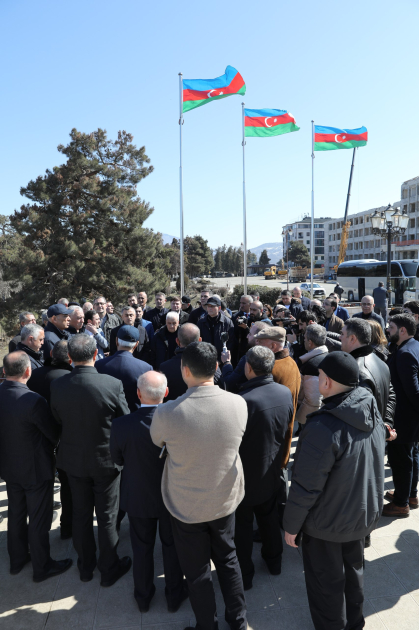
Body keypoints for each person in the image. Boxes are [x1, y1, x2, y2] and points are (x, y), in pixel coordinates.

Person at [283, 352, 386, 630]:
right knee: (353, 576)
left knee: (326, 589)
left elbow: (306, 486)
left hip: (326, 525)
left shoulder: (322, 426)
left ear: (326, 382)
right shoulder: (370, 409)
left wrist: (291, 526)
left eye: (318, 377)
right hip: (358, 517)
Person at [150, 342, 247, 630]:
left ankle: (207, 625)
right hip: (225, 498)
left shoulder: (167, 412)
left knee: (197, 571)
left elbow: (158, 441)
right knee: (229, 560)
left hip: (186, 505)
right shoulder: (238, 403)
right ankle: (238, 621)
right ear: (217, 367)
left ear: (184, 370)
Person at [50, 334, 131, 586]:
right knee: (107, 515)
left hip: (73, 461)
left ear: (70, 358)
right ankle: (108, 568)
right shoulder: (112, 384)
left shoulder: (58, 385)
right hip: (106, 462)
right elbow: (125, 419)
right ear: (96, 355)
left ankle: (85, 567)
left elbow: (57, 420)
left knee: (81, 514)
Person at [110, 372, 188, 613]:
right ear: (166, 393)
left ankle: (143, 597)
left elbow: (116, 459)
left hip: (138, 496)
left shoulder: (121, 424)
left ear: (137, 393)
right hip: (171, 496)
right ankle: (174, 596)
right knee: (172, 547)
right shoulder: (180, 421)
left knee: (141, 549)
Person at [0, 352, 72, 582]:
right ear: (28, 371)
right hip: (35, 469)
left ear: (4, 372)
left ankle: (17, 559)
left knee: (16, 513)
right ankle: (42, 566)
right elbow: (52, 434)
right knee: (39, 518)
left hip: (9, 467)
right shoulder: (33, 400)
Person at [235, 346, 293, 590]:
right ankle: (275, 562)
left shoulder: (243, 400)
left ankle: (245, 576)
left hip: (245, 478)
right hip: (272, 472)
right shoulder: (284, 392)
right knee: (269, 521)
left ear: (248, 368)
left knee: (243, 528)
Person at [27, 340, 74, 539]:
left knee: (41, 485)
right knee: (67, 485)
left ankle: (38, 530)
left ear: (52, 352)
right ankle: (66, 527)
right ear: (70, 358)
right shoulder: (70, 378)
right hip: (64, 438)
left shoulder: (33, 376)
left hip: (36, 438)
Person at [254, 326, 301, 520]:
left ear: (273, 346)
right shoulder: (291, 362)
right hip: (284, 432)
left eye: (260, 342)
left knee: (273, 484)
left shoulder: (274, 368)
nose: (256, 345)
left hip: (273, 436)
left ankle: (275, 520)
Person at [384, 314, 419, 517]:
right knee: (411, 456)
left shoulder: (405, 353)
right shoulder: (413, 345)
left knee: (401, 461)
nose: (388, 329)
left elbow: (413, 391)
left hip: (404, 418)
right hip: (410, 418)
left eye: (391, 326)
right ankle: (410, 494)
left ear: (402, 330)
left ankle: (401, 503)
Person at [96, 325, 152, 412]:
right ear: (136, 344)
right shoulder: (146, 368)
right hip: (133, 419)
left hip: (106, 420)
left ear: (116, 341)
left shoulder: (99, 365)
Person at [220, 321, 271, 393]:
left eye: (250, 334)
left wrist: (226, 363)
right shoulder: (272, 355)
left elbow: (230, 383)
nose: (247, 336)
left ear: (257, 340)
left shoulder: (248, 359)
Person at [295, 324, 328, 426]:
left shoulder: (312, 365)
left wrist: (302, 418)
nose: (303, 340)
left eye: (304, 338)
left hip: (312, 420)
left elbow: (313, 401)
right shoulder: (327, 356)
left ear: (310, 342)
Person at [159, 322, 201, 401]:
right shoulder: (208, 365)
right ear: (199, 340)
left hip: (173, 411)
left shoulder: (164, 367)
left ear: (177, 341)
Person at [197, 296, 234, 361]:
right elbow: (198, 342)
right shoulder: (201, 322)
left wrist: (220, 360)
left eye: (212, 306)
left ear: (219, 308)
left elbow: (231, 342)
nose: (210, 308)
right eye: (208, 306)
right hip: (205, 360)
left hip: (222, 361)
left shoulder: (227, 322)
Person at [231, 295, 253, 363]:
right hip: (239, 349)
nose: (241, 305)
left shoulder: (254, 316)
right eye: (240, 303)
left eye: (244, 303)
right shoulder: (235, 316)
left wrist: (246, 328)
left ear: (250, 304)